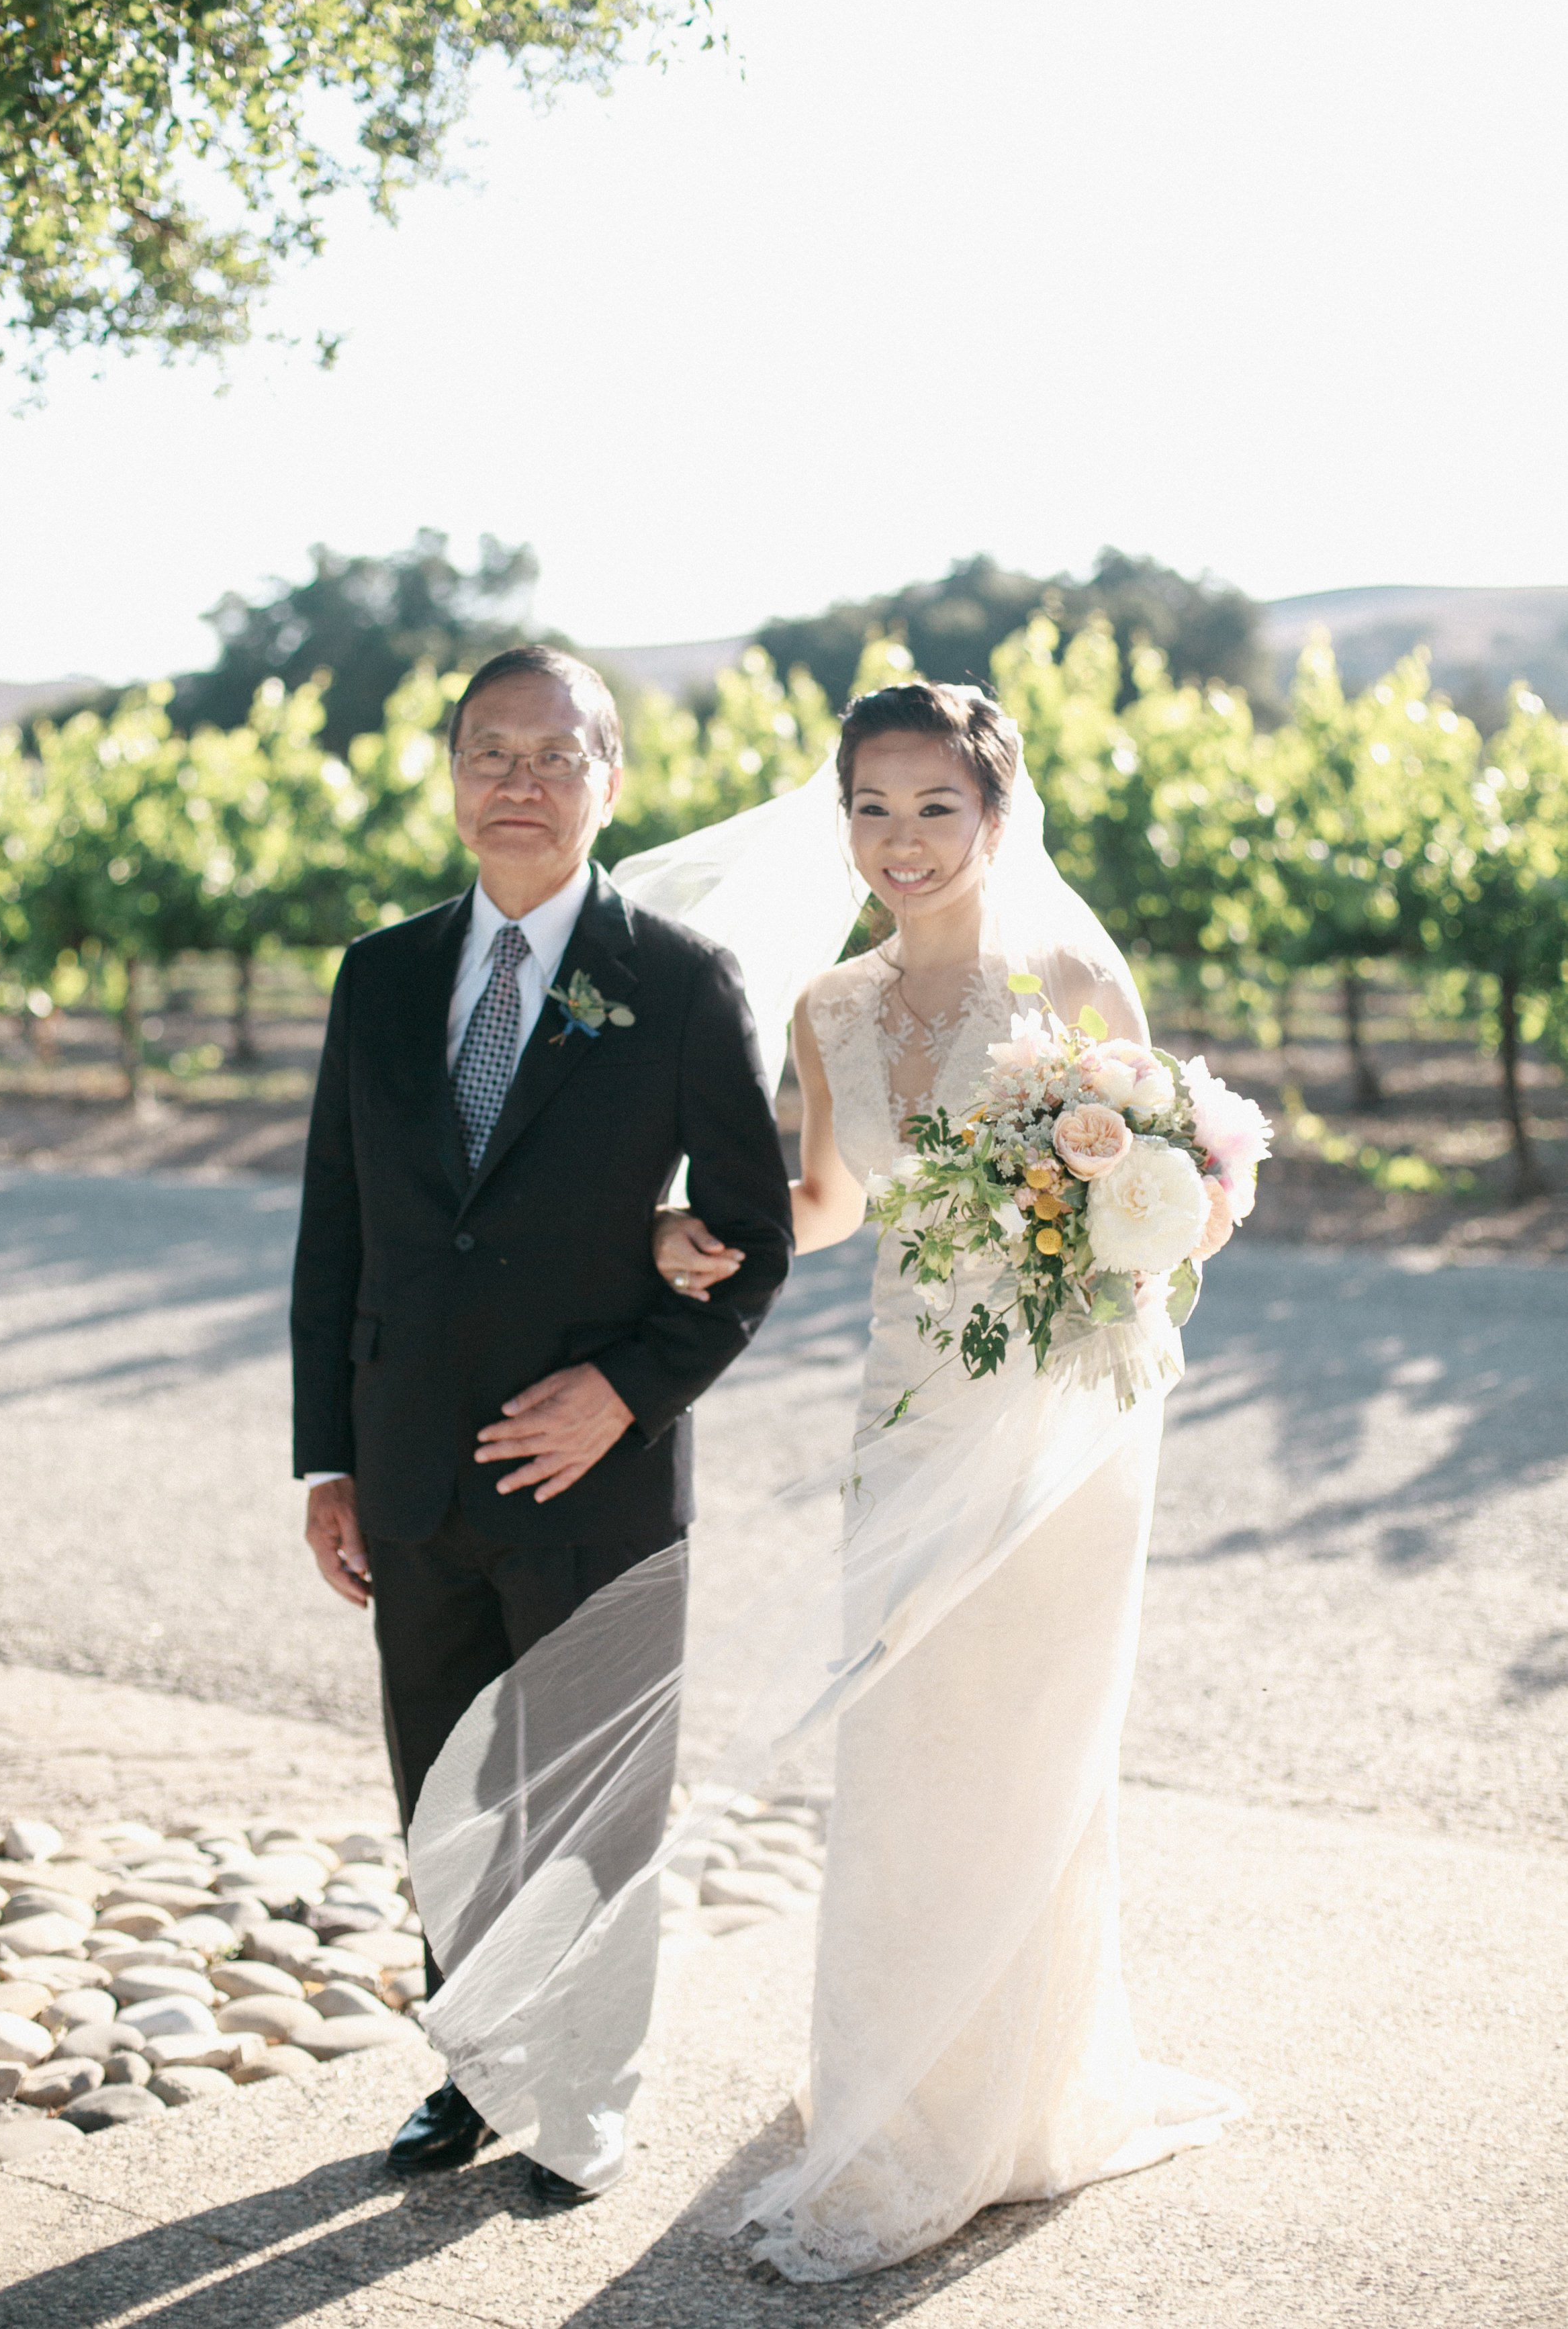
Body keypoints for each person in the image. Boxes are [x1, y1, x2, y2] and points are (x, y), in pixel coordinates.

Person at [404, 678, 1240, 2279]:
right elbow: (831, 1198)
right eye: (873, 808)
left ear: (994, 813)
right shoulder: (828, 1009)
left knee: (1030, 1743)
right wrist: (678, 1233)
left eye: (936, 808)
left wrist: (1140, 1212)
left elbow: (1184, 1189)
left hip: (1062, 1419)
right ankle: (902, 2094)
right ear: (840, 816)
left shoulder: (1067, 972)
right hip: (906, 1410)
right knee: (911, 1741)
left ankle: (1006, 2097)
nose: (901, 841)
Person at [289, 644, 793, 2199]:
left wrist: (628, 1390)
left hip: (598, 1482)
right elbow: (337, 1229)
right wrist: (328, 1457)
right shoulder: (378, 973)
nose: (519, 781)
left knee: (586, 1799)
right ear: (451, 776)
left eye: (553, 755)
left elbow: (751, 1236)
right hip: (413, 1468)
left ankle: (579, 2092)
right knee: (444, 1788)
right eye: (489, 753)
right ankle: (472, 2069)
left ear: (609, 782)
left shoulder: (677, 978)